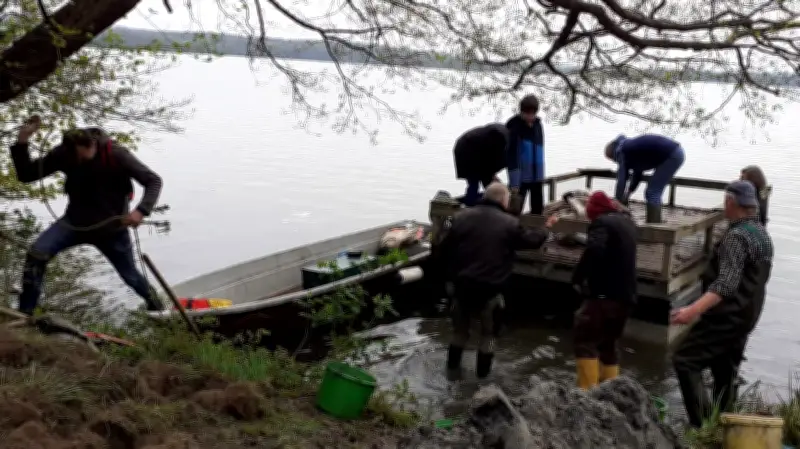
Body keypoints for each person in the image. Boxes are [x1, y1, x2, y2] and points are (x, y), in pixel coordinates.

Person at [10, 117, 165, 315]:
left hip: (112, 229)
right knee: (36, 254)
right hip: (74, 224)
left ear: (92, 144)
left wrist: (141, 211)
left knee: (131, 276)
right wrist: (22, 140)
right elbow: (27, 175)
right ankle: (25, 313)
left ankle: (160, 311)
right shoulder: (63, 154)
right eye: (76, 159)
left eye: (84, 157)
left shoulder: (116, 154)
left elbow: (154, 181)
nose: (79, 161)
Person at [671, 180, 773, 428]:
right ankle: (724, 426)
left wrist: (691, 310)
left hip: (726, 317)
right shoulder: (762, 234)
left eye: (724, 202)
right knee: (724, 370)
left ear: (730, 203)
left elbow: (725, 285)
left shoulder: (736, 238)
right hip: (748, 315)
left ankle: (703, 426)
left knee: (685, 361)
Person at [438, 182, 558, 378]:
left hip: (462, 287)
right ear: (504, 200)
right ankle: (482, 380)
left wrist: (450, 280)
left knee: (459, 333)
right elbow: (531, 241)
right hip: (489, 290)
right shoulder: (509, 223)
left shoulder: (461, 217)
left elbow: (443, 250)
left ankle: (451, 374)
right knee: (488, 336)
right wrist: (546, 228)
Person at [571, 191, 638, 390]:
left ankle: (587, 396)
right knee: (608, 345)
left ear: (594, 211)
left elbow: (595, 249)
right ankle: (611, 393)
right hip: (626, 296)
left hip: (604, 296)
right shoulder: (627, 223)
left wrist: (578, 277)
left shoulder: (601, 223)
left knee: (585, 341)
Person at [604, 134, 686, 223]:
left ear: (613, 154)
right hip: (675, 152)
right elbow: (637, 173)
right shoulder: (629, 149)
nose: (616, 162)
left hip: (671, 155)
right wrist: (630, 191)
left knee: (652, 192)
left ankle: (654, 226)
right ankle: (655, 222)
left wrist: (617, 201)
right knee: (653, 192)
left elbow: (621, 180)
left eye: (613, 160)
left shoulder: (622, 151)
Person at [506, 95, 546, 215]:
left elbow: (539, 151)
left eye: (533, 113)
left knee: (538, 209)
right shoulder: (514, 126)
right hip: (521, 177)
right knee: (515, 211)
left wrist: (541, 174)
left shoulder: (538, 125)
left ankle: (537, 231)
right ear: (521, 112)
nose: (530, 116)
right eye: (527, 113)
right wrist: (514, 183)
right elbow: (512, 155)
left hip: (537, 176)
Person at [452, 123, 509, 207]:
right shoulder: (499, 140)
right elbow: (489, 161)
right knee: (474, 182)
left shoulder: (505, 140)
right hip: (467, 151)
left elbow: (491, 161)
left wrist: (492, 175)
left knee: (487, 185)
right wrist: (491, 175)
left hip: (477, 151)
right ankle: (471, 205)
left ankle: (472, 201)